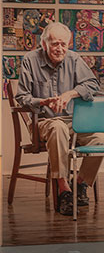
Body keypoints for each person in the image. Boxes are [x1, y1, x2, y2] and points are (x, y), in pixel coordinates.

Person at [15, 22, 104, 216]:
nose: (60, 49)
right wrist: (43, 102)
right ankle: (63, 188)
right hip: (44, 122)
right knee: (57, 127)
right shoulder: (30, 60)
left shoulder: (74, 59)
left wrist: (70, 94)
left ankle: (79, 183)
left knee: (100, 138)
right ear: (44, 44)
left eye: (64, 44)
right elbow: (22, 97)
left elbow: (92, 85)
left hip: (74, 122)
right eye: (55, 44)